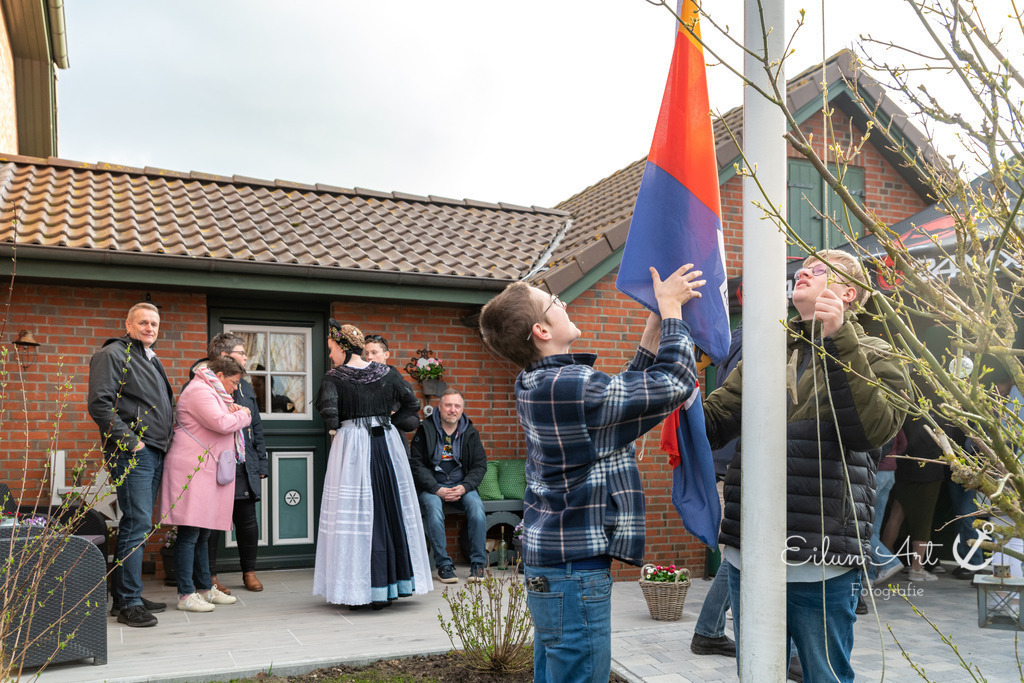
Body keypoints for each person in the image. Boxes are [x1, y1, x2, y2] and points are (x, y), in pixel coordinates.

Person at [479, 263, 705, 683]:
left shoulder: (538, 381)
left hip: (557, 567)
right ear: (542, 331)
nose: (562, 303)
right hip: (573, 573)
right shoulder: (570, 385)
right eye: (553, 302)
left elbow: (614, 406)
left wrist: (651, 331)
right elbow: (675, 382)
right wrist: (672, 311)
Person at [704, 250, 908, 683]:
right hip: (751, 551)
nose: (802, 275)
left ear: (849, 292)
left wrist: (840, 340)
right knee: (757, 673)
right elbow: (715, 424)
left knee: (824, 675)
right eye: (799, 272)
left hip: (822, 554)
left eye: (817, 271)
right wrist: (678, 378)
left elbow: (869, 432)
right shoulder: (767, 349)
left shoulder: (875, 354)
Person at [313, 320, 432, 609]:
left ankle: (361, 587)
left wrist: (340, 429)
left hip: (353, 445)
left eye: (331, 349)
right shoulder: (387, 373)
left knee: (355, 511)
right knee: (387, 507)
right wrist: (388, 419)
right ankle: (391, 584)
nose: (330, 355)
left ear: (342, 348)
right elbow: (412, 406)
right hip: (386, 444)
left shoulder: (334, 377)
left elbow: (329, 413)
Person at [88, 302, 174, 628]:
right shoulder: (114, 354)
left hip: (152, 452)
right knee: (135, 524)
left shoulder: (148, 357)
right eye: (143, 322)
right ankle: (128, 602)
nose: (150, 327)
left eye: (154, 323)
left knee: (138, 524)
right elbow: (99, 403)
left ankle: (128, 592)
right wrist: (130, 441)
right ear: (128, 324)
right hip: (134, 453)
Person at [160, 355, 251, 612]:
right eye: (234, 382)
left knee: (203, 531)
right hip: (192, 467)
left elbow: (223, 418)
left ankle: (203, 588)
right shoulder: (200, 391)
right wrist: (245, 414)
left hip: (204, 467)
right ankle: (186, 595)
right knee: (189, 533)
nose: (236, 388)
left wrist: (235, 412)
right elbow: (222, 424)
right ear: (220, 376)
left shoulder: (214, 392)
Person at [186, 333, 269, 593]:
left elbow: (255, 425)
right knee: (212, 522)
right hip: (218, 461)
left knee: (247, 519)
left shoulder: (243, 385)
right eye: (241, 352)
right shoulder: (203, 383)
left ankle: (249, 572)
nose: (245, 357)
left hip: (245, 461)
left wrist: (262, 463)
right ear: (224, 356)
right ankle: (209, 578)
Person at [409, 389, 488, 583]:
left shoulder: (470, 432)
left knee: (477, 509)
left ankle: (478, 564)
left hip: (461, 486)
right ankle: (443, 565)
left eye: (457, 406)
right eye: (448, 405)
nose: (452, 410)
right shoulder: (425, 429)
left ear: (462, 410)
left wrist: (465, 486)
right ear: (440, 407)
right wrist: (436, 488)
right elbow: (416, 464)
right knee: (434, 509)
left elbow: (480, 465)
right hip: (433, 487)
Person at [883, 418, 945, 582]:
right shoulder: (937, 404)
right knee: (924, 520)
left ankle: (881, 562)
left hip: (904, 466)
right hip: (930, 467)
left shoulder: (905, 404)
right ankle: (917, 568)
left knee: (895, 517)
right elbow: (944, 437)